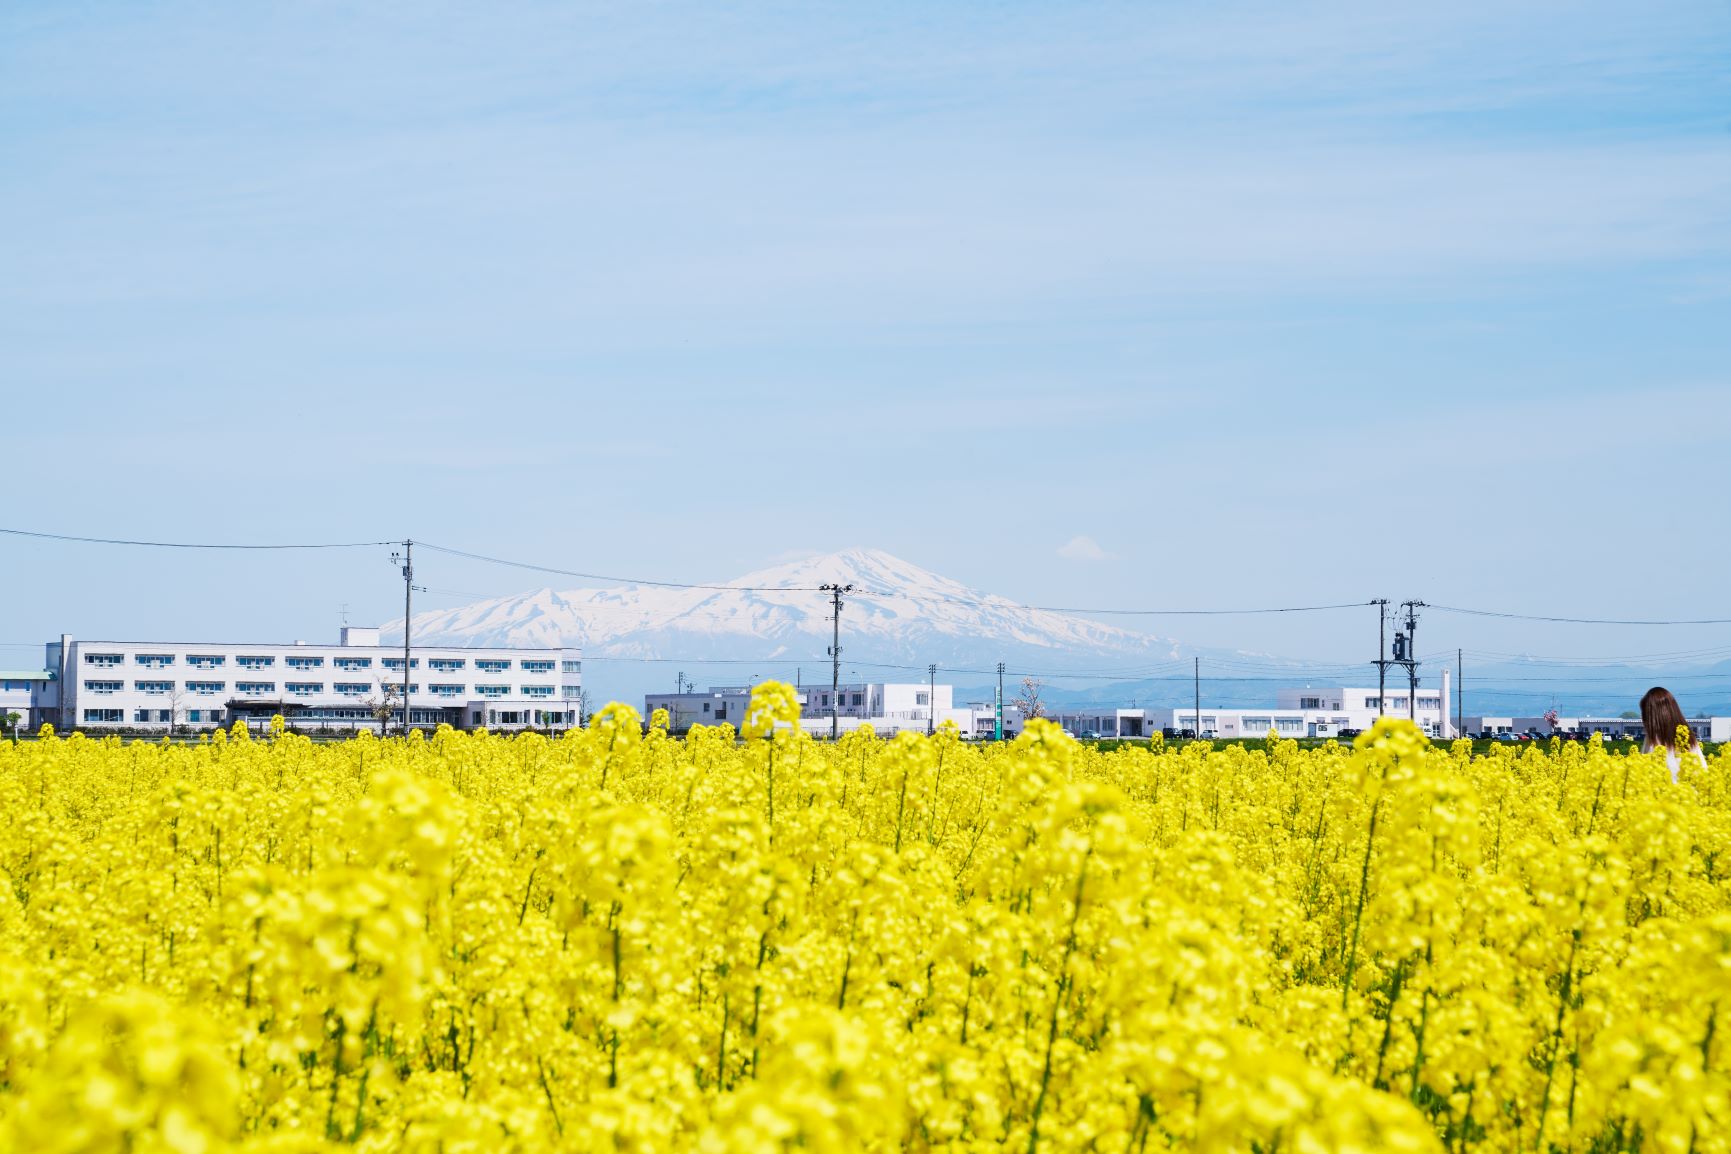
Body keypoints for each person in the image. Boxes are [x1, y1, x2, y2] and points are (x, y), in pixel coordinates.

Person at [1640, 686, 1708, 782]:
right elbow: (1704, 773)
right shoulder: (1688, 737)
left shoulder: (1653, 742)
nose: (1642, 718)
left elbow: (1644, 778)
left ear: (1653, 716)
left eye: (1645, 713)